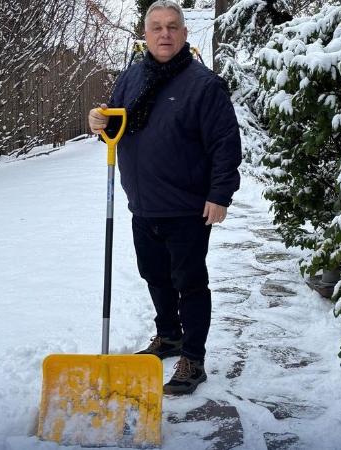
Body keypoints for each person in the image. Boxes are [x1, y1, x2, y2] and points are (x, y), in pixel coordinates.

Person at [87, 0, 241, 395]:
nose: (165, 34)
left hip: (188, 206)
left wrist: (219, 194)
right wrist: (98, 122)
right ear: (145, 33)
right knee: (154, 276)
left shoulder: (204, 85)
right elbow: (116, 126)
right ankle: (169, 336)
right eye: (156, 27)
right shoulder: (131, 78)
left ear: (185, 34)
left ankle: (194, 356)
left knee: (188, 282)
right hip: (143, 203)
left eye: (173, 27)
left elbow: (225, 143)